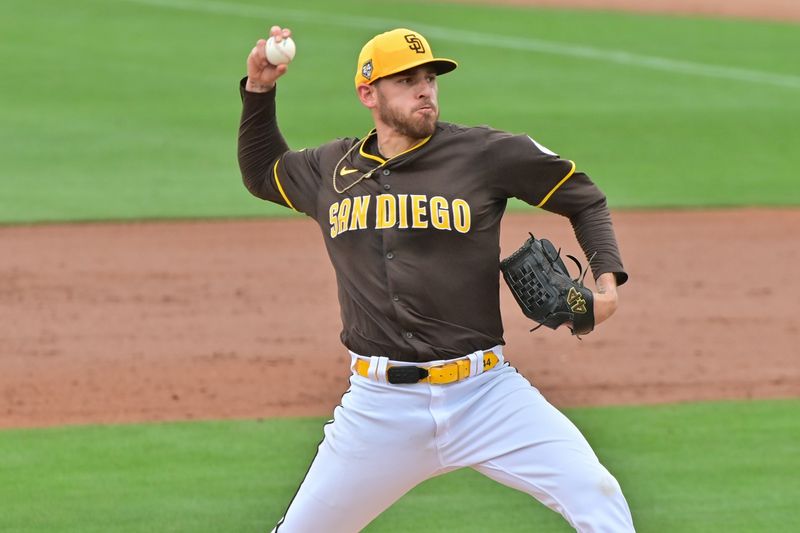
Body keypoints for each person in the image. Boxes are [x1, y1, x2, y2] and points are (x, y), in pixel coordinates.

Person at [238, 25, 635, 533]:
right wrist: (260, 90)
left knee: (597, 496)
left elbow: (583, 196)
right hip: (379, 409)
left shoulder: (484, 153)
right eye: (406, 80)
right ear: (368, 93)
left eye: (429, 77)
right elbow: (262, 171)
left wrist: (607, 283)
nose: (425, 89)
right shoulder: (330, 169)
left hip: (487, 396)